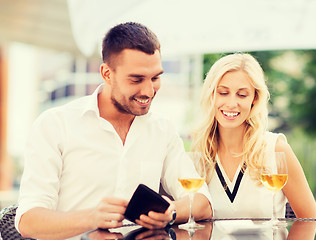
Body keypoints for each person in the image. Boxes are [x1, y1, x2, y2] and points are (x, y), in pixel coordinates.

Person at [15, 22, 212, 239]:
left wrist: (170, 213)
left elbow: (202, 203)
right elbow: (28, 220)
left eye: (155, 78)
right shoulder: (55, 125)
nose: (148, 91)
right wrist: (90, 218)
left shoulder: (162, 130)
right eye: (136, 79)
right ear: (107, 74)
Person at [190, 53, 316, 219]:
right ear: (211, 95)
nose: (231, 103)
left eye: (242, 95)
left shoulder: (276, 150)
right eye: (223, 93)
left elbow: (310, 220)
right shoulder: (199, 154)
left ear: (254, 99)